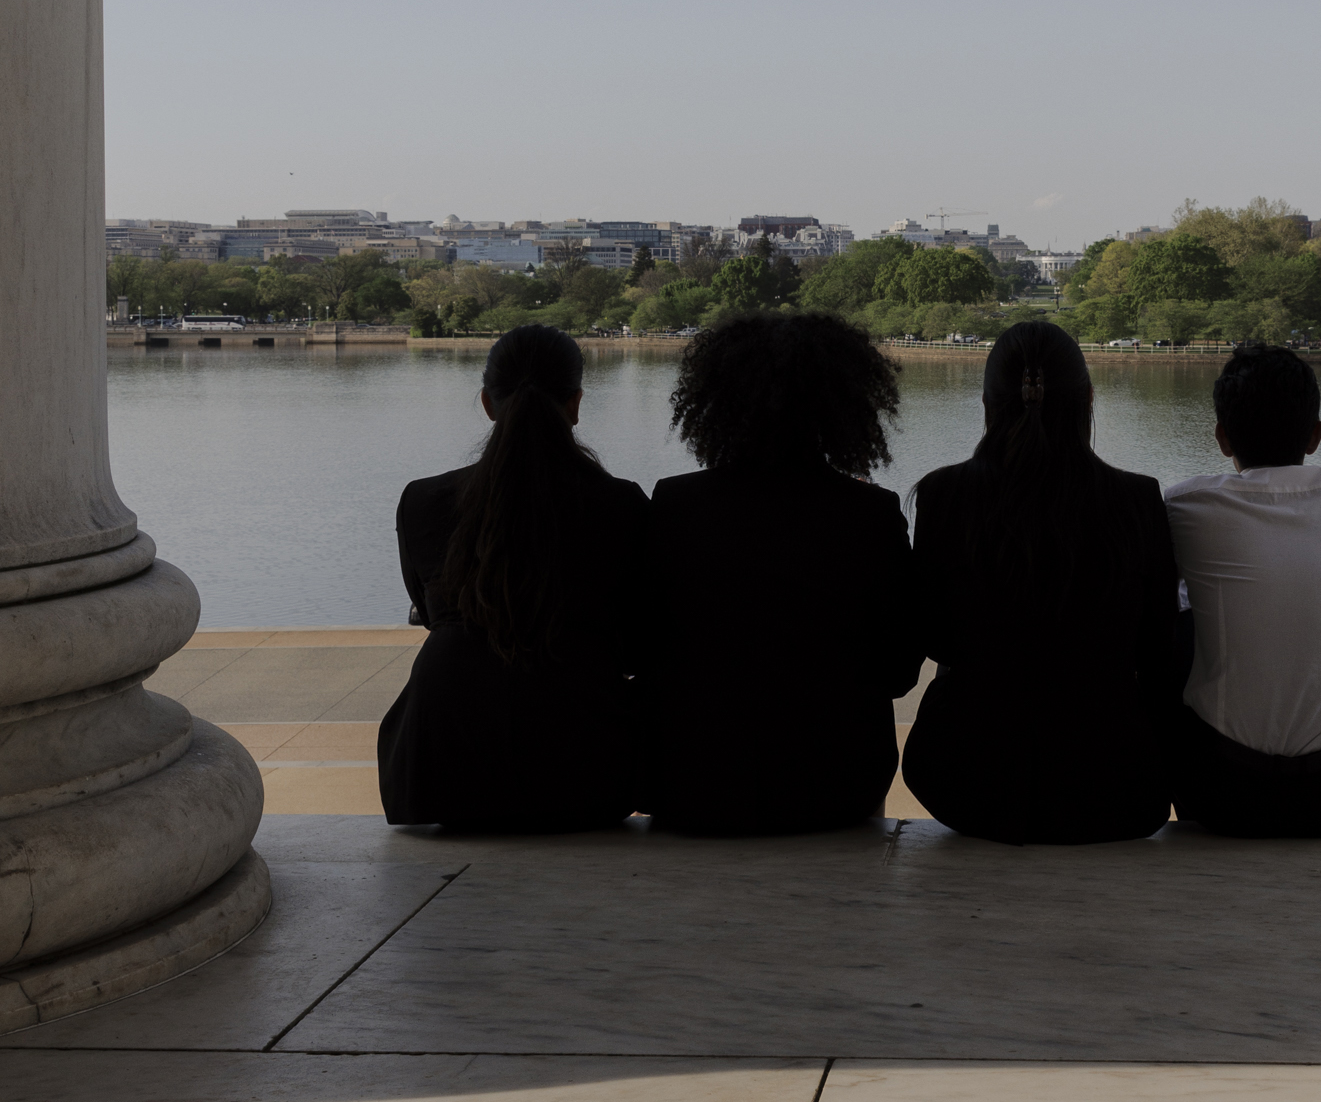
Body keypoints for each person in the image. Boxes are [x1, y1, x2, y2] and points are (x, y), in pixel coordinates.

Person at [902, 320, 1188, 843]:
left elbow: (934, 639)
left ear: (986, 403)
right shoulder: (1137, 499)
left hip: (963, 783)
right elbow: (1157, 653)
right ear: (1088, 401)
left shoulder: (943, 495)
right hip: (1115, 787)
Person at [645, 312, 922, 833]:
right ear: (846, 404)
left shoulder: (674, 505)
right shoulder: (871, 515)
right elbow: (899, 672)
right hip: (838, 787)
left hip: (693, 781)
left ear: (716, 403)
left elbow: (640, 647)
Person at [376, 324, 649, 830]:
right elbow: (639, 643)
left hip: (438, 773)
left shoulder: (422, 501)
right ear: (575, 404)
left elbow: (433, 614)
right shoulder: (622, 504)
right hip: (587, 772)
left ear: (487, 403)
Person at [1161, 343, 1321, 837]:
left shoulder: (1184, 507)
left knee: (1178, 621)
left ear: (1222, 437)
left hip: (1216, 793)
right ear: (1315, 435)